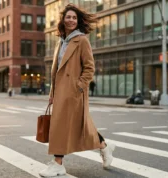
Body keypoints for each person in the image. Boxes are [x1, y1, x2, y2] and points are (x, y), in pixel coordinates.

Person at [39, 4, 115, 177]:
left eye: (74, 17)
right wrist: (52, 94)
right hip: (60, 93)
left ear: (78, 21)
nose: (71, 20)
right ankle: (104, 146)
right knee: (81, 127)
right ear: (63, 20)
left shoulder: (81, 40)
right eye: (68, 17)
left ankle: (58, 164)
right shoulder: (61, 40)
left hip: (73, 92)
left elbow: (89, 68)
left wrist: (78, 86)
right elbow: (56, 70)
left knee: (61, 127)